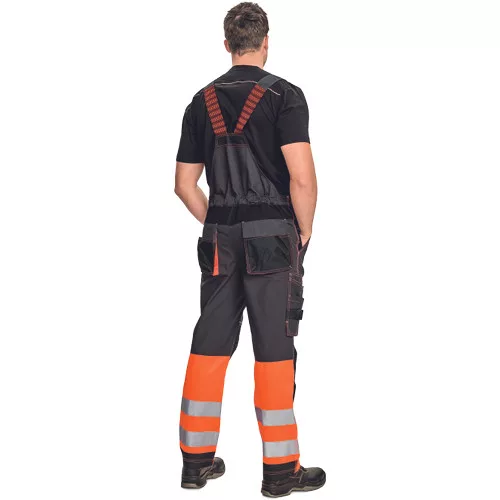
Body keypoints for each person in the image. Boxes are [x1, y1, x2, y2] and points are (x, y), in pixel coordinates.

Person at [174, 2, 324, 496]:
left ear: (227, 45)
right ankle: (280, 471)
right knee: (274, 349)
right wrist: (303, 232)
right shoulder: (286, 96)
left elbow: (184, 185)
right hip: (272, 241)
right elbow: (302, 180)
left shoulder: (200, 102)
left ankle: (195, 462)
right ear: (265, 42)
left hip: (219, 238)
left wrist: (218, 221)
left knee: (210, 341)